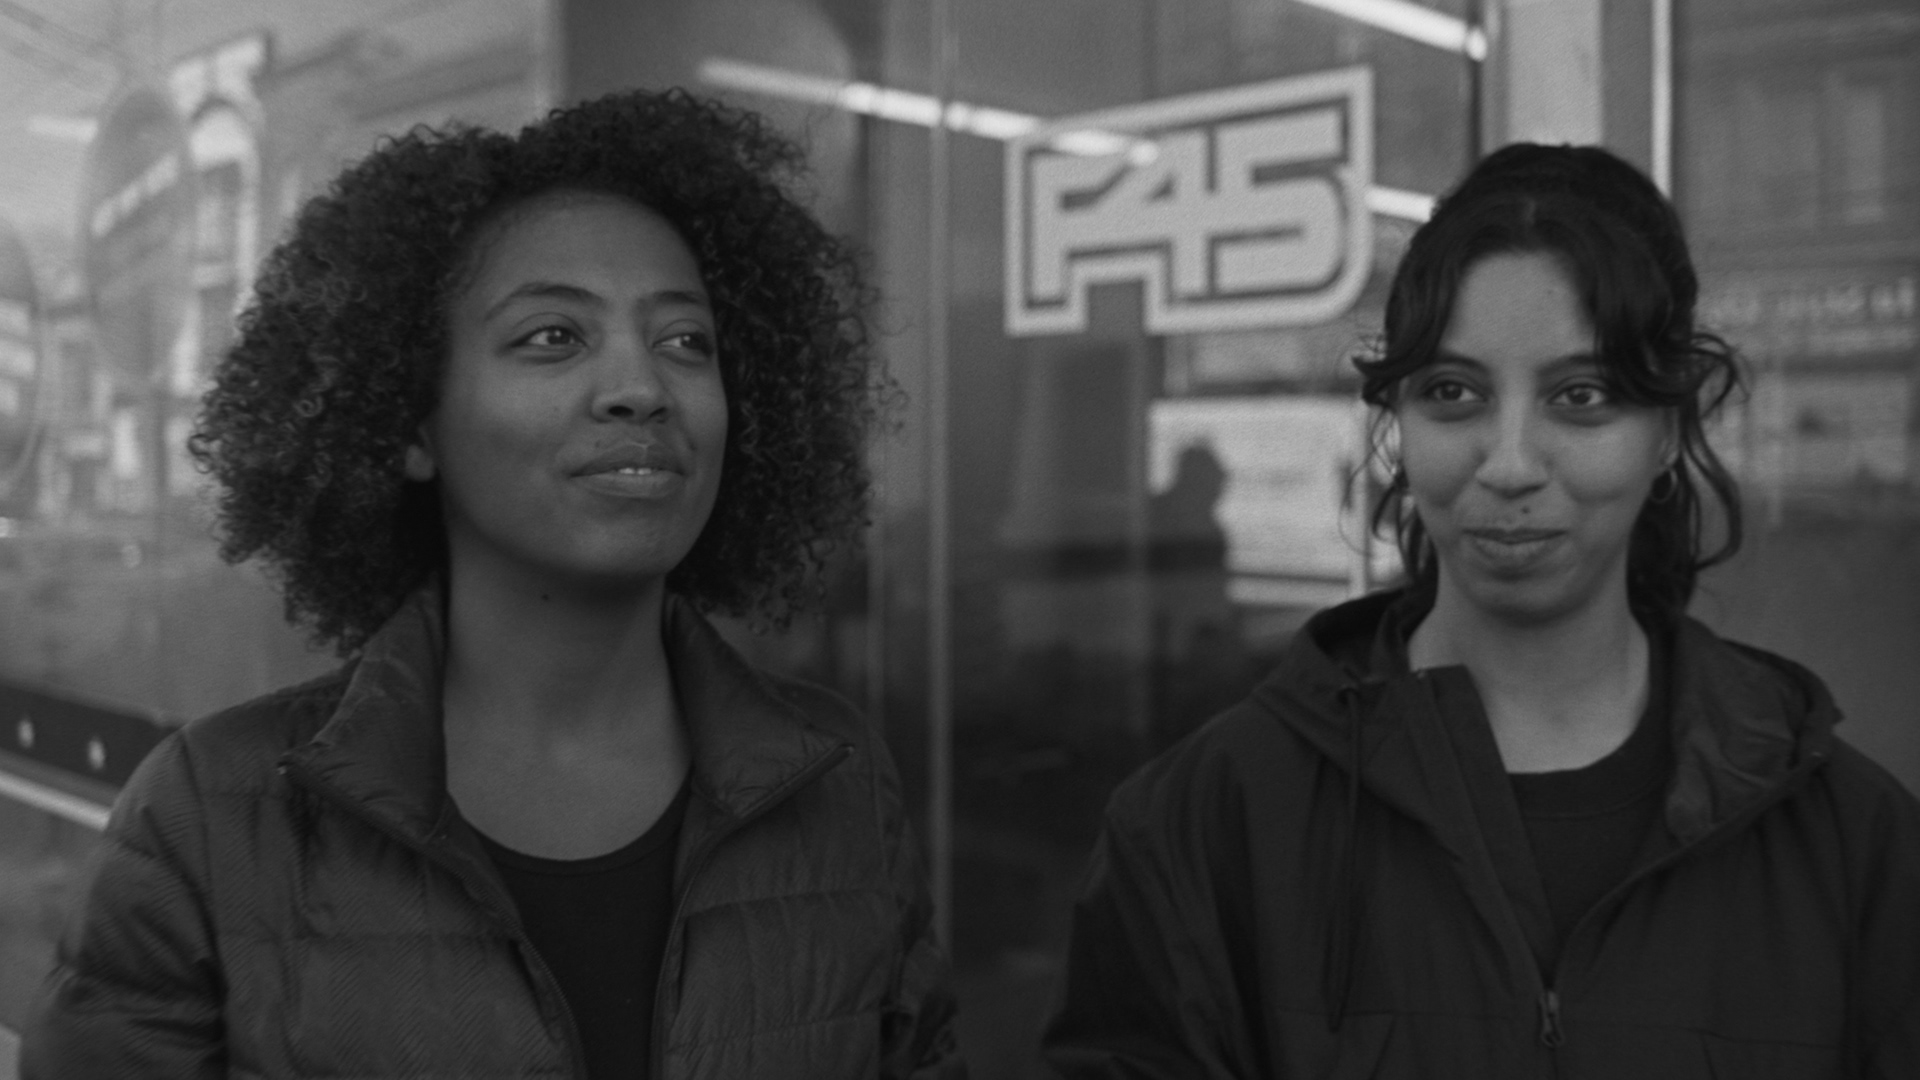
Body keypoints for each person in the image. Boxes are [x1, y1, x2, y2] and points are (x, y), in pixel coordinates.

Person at [23, 89, 963, 1080]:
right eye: (553, 337)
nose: (642, 387)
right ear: (411, 423)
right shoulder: (210, 817)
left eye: (687, 341)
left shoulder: (838, 785)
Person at [1043, 144, 1920, 1077]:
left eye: (1580, 396)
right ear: (1399, 422)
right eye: (1453, 393)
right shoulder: (1207, 828)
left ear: (1667, 431)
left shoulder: (1852, 848)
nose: (1508, 464)